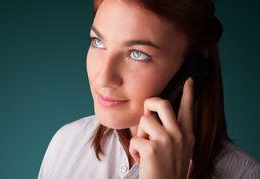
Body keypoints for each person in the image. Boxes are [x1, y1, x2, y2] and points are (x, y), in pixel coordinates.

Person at [37, 0, 260, 178]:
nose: (104, 78)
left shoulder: (246, 175)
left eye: (137, 54)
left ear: (192, 69)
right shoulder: (67, 143)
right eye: (98, 42)